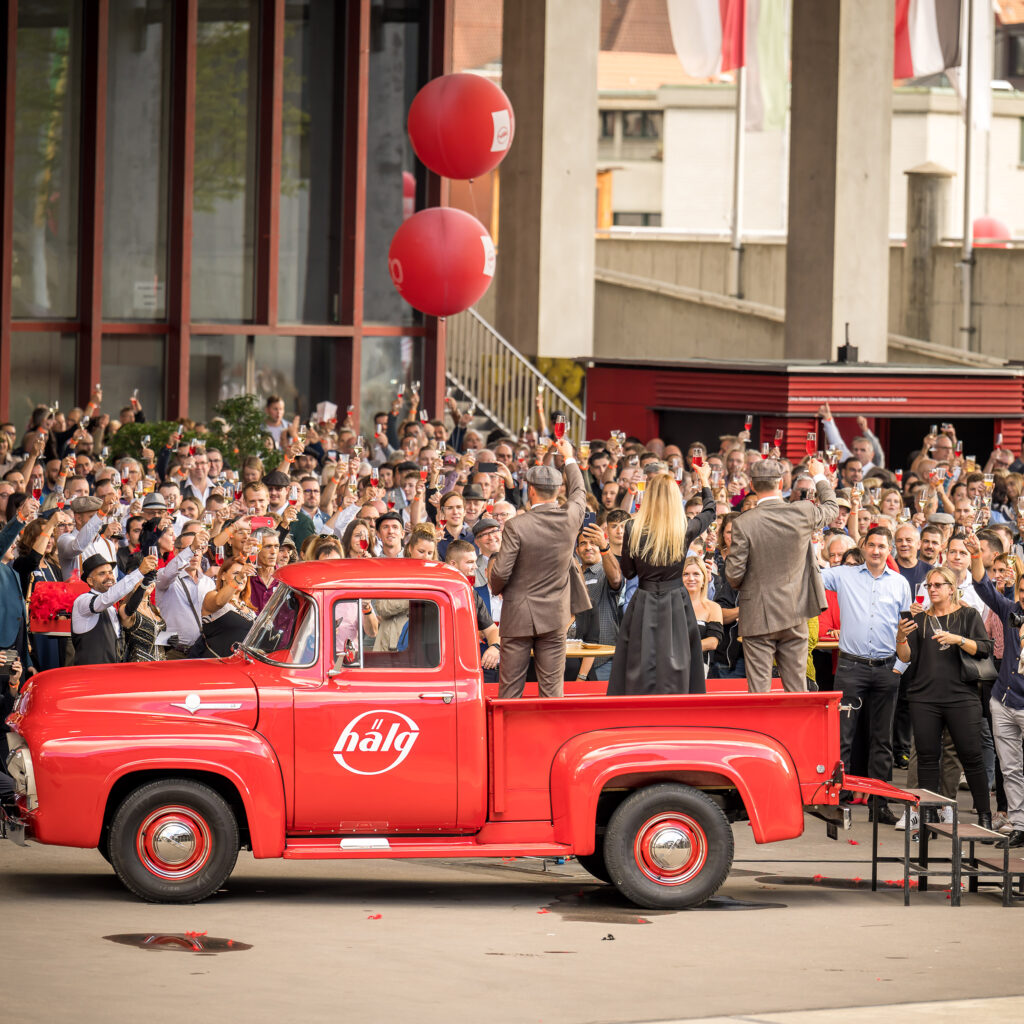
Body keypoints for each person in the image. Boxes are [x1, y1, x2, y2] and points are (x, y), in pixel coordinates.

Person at [725, 457, 838, 693]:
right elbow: (831, 507)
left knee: (759, 693)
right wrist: (818, 476)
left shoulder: (744, 523)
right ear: (780, 483)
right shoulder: (802, 512)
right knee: (797, 689)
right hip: (795, 611)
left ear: (753, 486)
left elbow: (734, 575)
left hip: (757, 614)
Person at [821, 527, 912, 819]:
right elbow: (810, 572)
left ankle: (880, 804)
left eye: (881, 546)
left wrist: (898, 669)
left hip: (886, 668)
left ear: (889, 551)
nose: (875, 551)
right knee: (842, 737)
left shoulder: (900, 584)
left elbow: (907, 631)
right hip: (851, 667)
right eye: (871, 545)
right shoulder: (843, 575)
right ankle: (836, 798)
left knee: (882, 739)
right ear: (863, 546)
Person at [896, 564, 994, 829]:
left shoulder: (968, 615)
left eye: (938, 585)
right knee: (927, 757)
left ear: (952, 589)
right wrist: (901, 637)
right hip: (924, 696)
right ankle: (928, 815)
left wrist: (958, 639)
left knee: (971, 755)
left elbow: (984, 649)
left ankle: (984, 815)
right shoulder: (919, 619)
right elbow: (906, 658)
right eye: (929, 585)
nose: (932, 589)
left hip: (961, 695)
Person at [487, 438, 586, 698]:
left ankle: (508, 738)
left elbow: (500, 572)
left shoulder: (516, 525)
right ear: (557, 490)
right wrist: (569, 458)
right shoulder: (571, 517)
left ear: (530, 490)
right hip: (555, 616)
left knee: (510, 690)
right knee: (553, 691)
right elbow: (579, 492)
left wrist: (498, 590)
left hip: (518, 614)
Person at [607, 463, 715, 695]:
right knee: (678, 661)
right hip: (675, 602)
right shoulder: (684, 528)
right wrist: (704, 481)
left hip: (644, 601)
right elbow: (710, 511)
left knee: (639, 661)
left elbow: (629, 573)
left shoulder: (633, 528)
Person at [966, 534, 1024, 846]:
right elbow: (984, 588)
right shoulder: (1010, 611)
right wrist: (976, 555)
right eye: (1023, 592)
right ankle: (1019, 825)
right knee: (1010, 767)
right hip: (1003, 700)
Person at [71, 552, 157, 665]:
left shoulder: (111, 608)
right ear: (90, 581)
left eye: (111, 572)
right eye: (102, 574)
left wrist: (144, 584)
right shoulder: (83, 601)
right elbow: (107, 598)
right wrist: (139, 572)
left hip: (112, 674)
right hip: (91, 676)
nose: (109, 577)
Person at [571, 522, 623, 682]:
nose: (588, 547)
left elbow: (615, 579)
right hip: (573, 658)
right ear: (577, 550)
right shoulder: (571, 573)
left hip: (603, 658)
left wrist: (604, 547)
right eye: (583, 543)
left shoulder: (605, 570)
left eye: (593, 542)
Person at [202, 558, 257, 656]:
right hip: (217, 665)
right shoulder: (212, 595)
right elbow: (219, 602)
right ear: (223, 576)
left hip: (242, 667)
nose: (243, 577)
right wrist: (239, 577)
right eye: (236, 573)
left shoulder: (247, 607)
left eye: (245, 575)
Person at [682, 555, 724, 677]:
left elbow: (713, 641)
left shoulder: (713, 607)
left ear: (704, 578)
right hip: (670, 666)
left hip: (699, 667)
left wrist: (682, 649)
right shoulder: (671, 605)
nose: (691, 578)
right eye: (685, 574)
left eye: (696, 574)